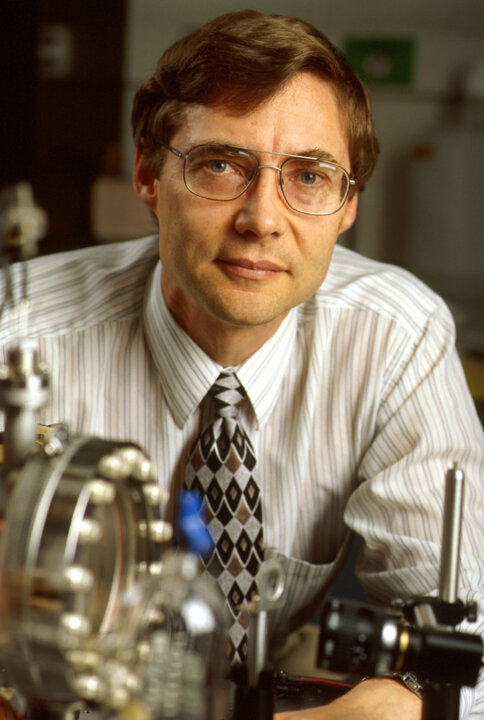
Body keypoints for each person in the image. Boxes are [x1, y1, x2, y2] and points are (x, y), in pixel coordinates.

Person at [0, 10, 482, 720]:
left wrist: (405, 699)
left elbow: (467, 640)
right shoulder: (16, 335)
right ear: (147, 173)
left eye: (309, 177)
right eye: (221, 165)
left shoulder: (396, 339)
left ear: (347, 206)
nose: (262, 218)